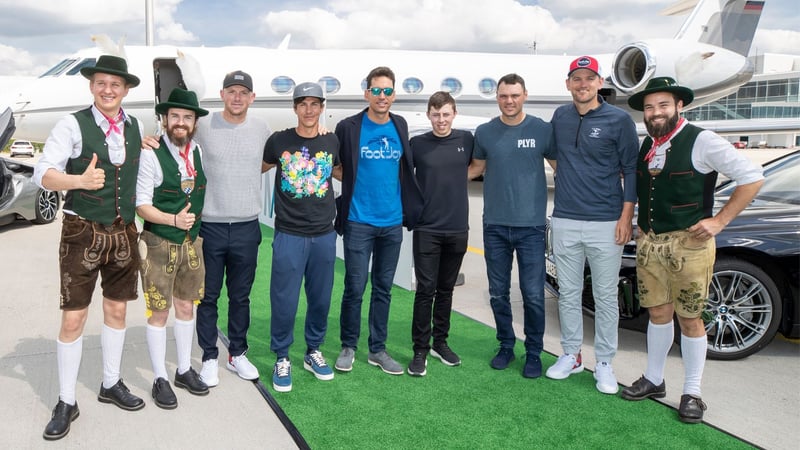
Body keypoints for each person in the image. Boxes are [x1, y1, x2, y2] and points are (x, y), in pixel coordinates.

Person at [620, 77, 763, 423]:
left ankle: (693, 392)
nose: (655, 113)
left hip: (690, 245)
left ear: (679, 106)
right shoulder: (648, 145)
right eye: (650, 107)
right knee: (657, 313)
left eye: (663, 105)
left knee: (690, 317)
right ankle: (655, 379)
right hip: (651, 243)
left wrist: (719, 221)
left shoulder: (701, 140)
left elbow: (753, 176)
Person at [35, 55, 145, 440]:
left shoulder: (135, 125)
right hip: (82, 233)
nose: (108, 90)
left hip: (124, 233)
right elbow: (43, 174)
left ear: (126, 89)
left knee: (117, 311)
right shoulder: (72, 124)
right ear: (91, 86)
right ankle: (67, 400)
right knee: (73, 319)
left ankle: (110, 383)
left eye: (115, 84)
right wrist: (77, 181)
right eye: (101, 83)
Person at [545, 56, 639, 394]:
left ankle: (604, 362)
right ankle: (571, 354)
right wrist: (564, 173)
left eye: (589, 78)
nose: (582, 84)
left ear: (600, 82)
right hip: (566, 218)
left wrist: (626, 217)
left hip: (606, 222)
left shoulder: (619, 120)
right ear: (568, 83)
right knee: (568, 294)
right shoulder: (560, 116)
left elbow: (631, 170)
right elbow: (554, 153)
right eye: (576, 78)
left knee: (605, 297)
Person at [333, 66, 423, 375]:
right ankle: (348, 346)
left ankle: (377, 349)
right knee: (355, 287)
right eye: (377, 90)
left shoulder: (400, 124)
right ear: (367, 93)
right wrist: (351, 178)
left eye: (387, 91)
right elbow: (334, 163)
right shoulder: (349, 126)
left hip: (392, 223)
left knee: (383, 288)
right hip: (359, 220)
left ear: (393, 95)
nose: (382, 96)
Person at [468, 73, 556, 378]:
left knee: (532, 294)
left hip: (530, 227)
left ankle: (534, 351)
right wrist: (435, 176)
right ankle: (506, 344)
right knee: (498, 292)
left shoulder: (542, 130)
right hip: (494, 226)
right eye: (504, 96)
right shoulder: (485, 132)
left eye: (515, 95)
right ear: (497, 98)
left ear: (525, 96)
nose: (509, 101)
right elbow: (475, 168)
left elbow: (563, 169)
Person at [262, 82, 341, 392]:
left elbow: (339, 171)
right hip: (289, 233)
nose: (309, 110)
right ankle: (282, 356)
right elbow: (258, 167)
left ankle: (313, 351)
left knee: (321, 297)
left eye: (314, 104)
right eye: (303, 104)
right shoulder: (279, 141)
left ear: (321, 108)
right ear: (294, 108)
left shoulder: (332, 141)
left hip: (324, 234)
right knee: (284, 299)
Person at [195, 71, 271, 385]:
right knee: (208, 297)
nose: (237, 97)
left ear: (252, 97)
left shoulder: (262, 128)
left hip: (246, 226)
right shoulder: (203, 125)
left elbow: (268, 161)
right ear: (222, 94)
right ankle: (209, 357)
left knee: (241, 297)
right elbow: (175, 141)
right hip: (209, 226)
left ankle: (237, 354)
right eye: (232, 91)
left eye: (243, 92)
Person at [136, 88, 210, 409]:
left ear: (194, 123)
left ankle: (182, 369)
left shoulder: (198, 152)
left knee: (185, 307)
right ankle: (159, 377)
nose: (181, 122)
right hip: (159, 242)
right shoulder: (151, 154)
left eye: (187, 117)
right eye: (175, 116)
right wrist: (172, 219)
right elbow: (141, 205)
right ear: (165, 120)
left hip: (192, 242)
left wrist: (186, 226)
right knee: (159, 311)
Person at [407, 91, 474, 377]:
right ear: (428, 115)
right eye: (436, 115)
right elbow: (404, 178)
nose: (441, 120)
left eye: (446, 114)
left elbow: (476, 167)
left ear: (454, 114)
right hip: (427, 229)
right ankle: (420, 349)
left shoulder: (466, 141)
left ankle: (440, 343)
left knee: (446, 290)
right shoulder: (417, 144)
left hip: (458, 227)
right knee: (425, 290)